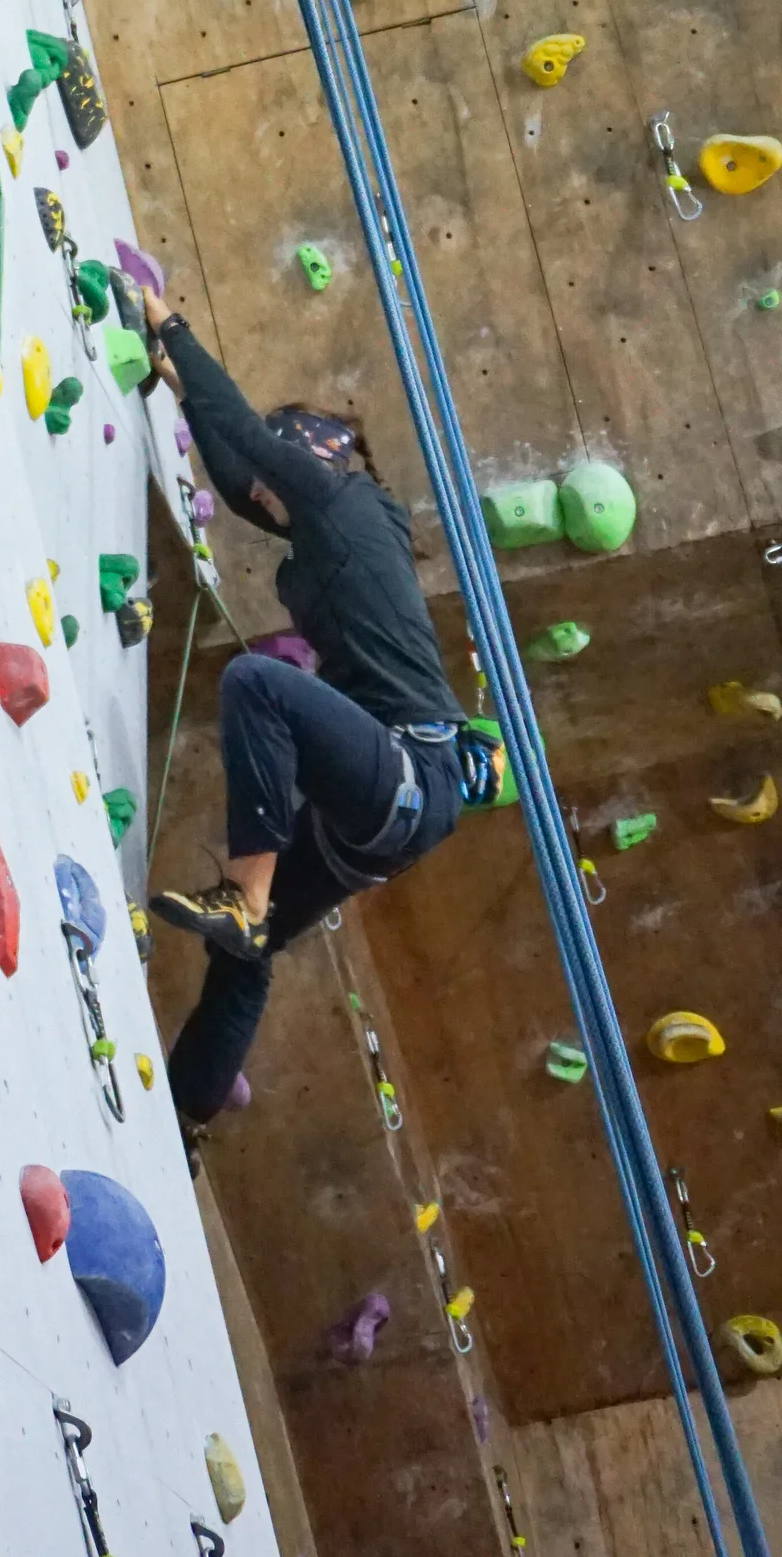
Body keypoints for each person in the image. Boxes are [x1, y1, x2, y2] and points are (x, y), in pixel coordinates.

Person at [138, 286, 496, 1149]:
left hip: (412, 767)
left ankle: (247, 891)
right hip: (381, 809)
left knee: (257, 684)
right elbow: (239, 481)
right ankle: (189, 1120)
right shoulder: (319, 536)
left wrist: (173, 328)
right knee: (243, 953)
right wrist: (181, 388)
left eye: (286, 451)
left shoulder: (351, 504)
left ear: (322, 453)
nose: (268, 481)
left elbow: (255, 447)